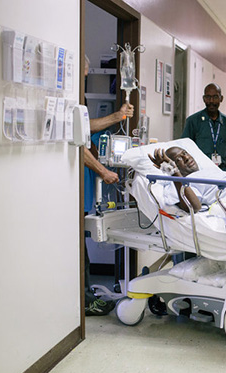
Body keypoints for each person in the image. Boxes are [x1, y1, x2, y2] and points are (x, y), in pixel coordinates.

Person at [83, 55, 134, 316]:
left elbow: (84, 128)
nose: (86, 71)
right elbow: (78, 144)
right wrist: (104, 171)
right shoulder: (69, 96)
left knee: (79, 247)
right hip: (74, 191)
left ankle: (85, 294)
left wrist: (118, 116)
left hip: (82, 194)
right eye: (85, 68)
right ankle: (84, 299)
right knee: (78, 249)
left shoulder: (75, 99)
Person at [182, 83, 226, 172]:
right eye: (208, 97)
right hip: (199, 172)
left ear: (221, 98)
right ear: (204, 99)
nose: (211, 101)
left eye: (215, 97)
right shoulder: (193, 121)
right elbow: (185, 148)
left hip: (221, 172)